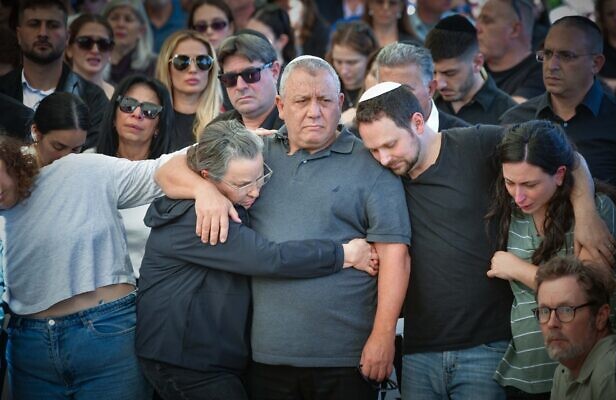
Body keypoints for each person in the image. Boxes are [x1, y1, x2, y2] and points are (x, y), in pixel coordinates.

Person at [156, 56, 412, 399]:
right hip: (266, 357)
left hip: (345, 357)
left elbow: (395, 255)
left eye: (324, 100)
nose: (314, 112)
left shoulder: (372, 162)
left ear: (340, 103)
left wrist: (382, 337)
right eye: (301, 101)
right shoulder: (255, 152)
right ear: (280, 105)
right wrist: (203, 190)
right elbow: (166, 170)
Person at [354, 82, 615, 400]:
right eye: (374, 150)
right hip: (419, 350)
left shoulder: (475, 142)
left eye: (390, 145)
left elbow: (563, 155)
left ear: (418, 122)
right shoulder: (384, 176)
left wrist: (587, 212)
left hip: (488, 346)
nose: (382, 159)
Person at [136, 119, 378, 400]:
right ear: (207, 176)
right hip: (183, 360)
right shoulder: (200, 217)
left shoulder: (226, 193)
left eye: (260, 176)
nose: (254, 191)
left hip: (207, 357)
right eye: (242, 184)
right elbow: (270, 258)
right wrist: (344, 254)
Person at [0, 119, 195, 398]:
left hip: (106, 335)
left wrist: (242, 139)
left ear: (5, 155)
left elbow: (162, 168)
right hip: (27, 349)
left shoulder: (79, 169)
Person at [486, 120, 616, 397]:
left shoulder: (596, 211)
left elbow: (589, 293)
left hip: (588, 376)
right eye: (510, 182)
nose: (518, 196)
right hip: (526, 375)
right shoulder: (515, 213)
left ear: (559, 175)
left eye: (529, 184)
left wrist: (518, 269)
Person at [500, 16, 616, 239]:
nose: (552, 65)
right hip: (527, 251)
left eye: (566, 56)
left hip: (607, 254)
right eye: (546, 54)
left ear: (596, 63)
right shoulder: (515, 119)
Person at [93, 75, 174, 277]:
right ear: (114, 116)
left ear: (158, 127)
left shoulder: (172, 173)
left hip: (147, 289)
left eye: (149, 110)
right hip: (92, 293)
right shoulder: (88, 163)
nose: (137, 114)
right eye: (128, 105)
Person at [0, 0, 109, 149]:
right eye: (34, 24)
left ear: (67, 37)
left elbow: (89, 160)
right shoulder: (2, 91)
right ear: (19, 34)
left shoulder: (93, 98)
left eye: (53, 25)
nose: (43, 33)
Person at [535, 256, 616, 400]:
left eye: (566, 310)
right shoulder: (563, 371)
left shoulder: (612, 373)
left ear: (600, 316)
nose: (551, 323)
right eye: (544, 311)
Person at [425, 14, 516, 125]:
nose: (439, 84)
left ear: (477, 63)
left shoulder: (510, 115)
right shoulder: (424, 103)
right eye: (433, 72)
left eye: (450, 73)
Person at [375, 42, 469, 132]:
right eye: (386, 89)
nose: (394, 99)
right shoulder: (365, 136)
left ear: (430, 89)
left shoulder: (465, 140)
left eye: (404, 91)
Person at [156, 29, 223, 148]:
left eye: (202, 61)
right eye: (182, 61)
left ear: (211, 69)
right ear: (167, 67)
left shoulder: (226, 123)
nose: (193, 69)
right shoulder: (151, 118)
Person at [476, 0, 545, 103]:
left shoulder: (543, 73)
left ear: (514, 30)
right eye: (478, 21)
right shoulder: (474, 67)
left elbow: (514, 114)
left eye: (487, 21)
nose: (477, 28)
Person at [212, 33, 283, 131]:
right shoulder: (216, 131)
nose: (240, 86)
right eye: (230, 78)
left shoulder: (298, 127)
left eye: (251, 75)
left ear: (274, 71)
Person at [325, 20, 379, 122]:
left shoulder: (380, 89)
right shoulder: (326, 86)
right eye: (338, 61)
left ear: (370, 58)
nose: (344, 71)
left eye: (352, 63)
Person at [103, 0, 156, 86]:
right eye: (114, 18)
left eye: (128, 19)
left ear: (141, 31)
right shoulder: (93, 61)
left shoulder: (153, 66)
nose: (120, 24)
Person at [28, 92, 89, 166]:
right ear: (35, 132)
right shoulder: (14, 170)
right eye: (58, 147)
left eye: (75, 150)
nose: (66, 158)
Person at [65, 13, 116, 99]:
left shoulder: (119, 97)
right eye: (85, 42)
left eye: (103, 44)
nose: (95, 50)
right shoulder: (52, 92)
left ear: (110, 52)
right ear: (69, 49)